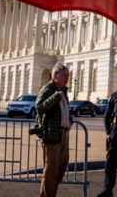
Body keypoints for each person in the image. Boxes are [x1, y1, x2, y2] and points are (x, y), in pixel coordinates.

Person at [35, 63, 71, 197]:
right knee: (51, 171)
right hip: (51, 135)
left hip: (63, 134)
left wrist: (70, 120)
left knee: (62, 167)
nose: (67, 78)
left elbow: (64, 109)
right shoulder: (48, 89)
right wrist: (56, 97)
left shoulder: (63, 90)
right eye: (64, 75)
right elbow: (39, 107)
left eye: (68, 76)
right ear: (55, 75)